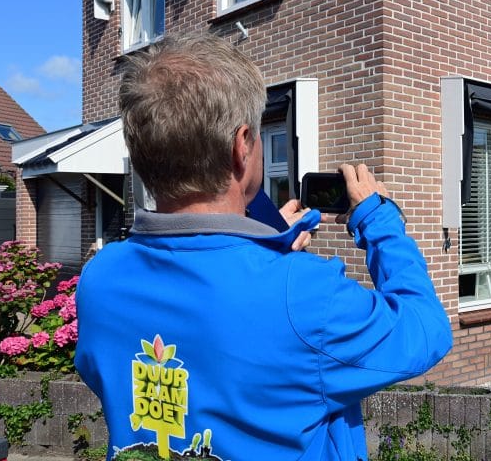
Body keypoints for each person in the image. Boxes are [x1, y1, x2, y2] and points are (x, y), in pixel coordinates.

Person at [74, 32, 453, 461]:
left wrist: (266, 247)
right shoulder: (306, 293)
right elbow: (426, 331)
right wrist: (379, 221)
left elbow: (112, 371)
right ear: (241, 146)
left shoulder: (100, 277)